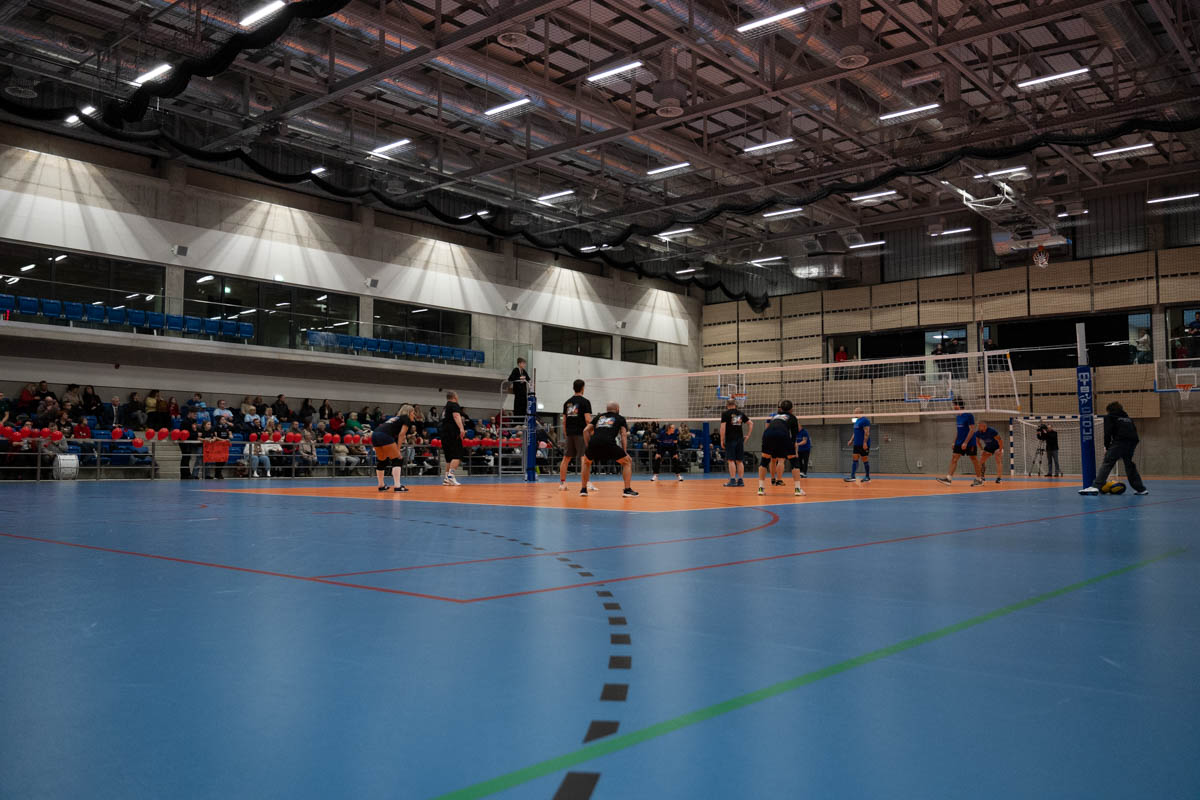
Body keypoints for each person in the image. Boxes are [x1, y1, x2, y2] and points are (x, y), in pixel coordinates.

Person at [1080, 401, 1149, 495]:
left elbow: (1107, 433)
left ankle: (1095, 487)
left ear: (1109, 410)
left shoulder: (1110, 417)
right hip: (1132, 442)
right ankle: (1141, 489)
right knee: (1129, 465)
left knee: (1108, 462)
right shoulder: (1128, 418)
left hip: (1120, 442)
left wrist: (1107, 447)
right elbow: (1134, 432)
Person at [579, 402, 638, 498]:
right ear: (617, 409)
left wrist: (588, 446)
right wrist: (624, 451)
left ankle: (583, 489)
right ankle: (627, 490)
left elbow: (585, 431)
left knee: (586, 462)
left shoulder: (599, 417)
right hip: (609, 443)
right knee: (627, 462)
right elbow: (623, 435)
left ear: (607, 409)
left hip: (594, 443)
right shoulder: (620, 418)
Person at [758, 400, 803, 497]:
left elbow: (770, 427)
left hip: (767, 435)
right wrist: (793, 448)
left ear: (781, 408)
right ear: (791, 409)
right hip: (782, 434)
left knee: (764, 461)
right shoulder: (792, 417)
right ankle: (797, 489)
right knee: (794, 461)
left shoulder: (775, 416)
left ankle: (761, 488)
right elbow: (794, 435)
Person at [936, 399, 982, 486]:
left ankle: (979, 479)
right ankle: (948, 479)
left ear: (958, 405)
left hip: (969, 442)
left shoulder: (969, 415)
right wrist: (954, 442)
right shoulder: (958, 417)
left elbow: (972, 430)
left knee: (974, 460)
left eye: (954, 405)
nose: (953, 407)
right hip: (959, 442)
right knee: (954, 458)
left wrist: (965, 442)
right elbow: (959, 431)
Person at [559, 379, 594, 491]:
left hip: (570, 433)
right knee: (584, 458)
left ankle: (562, 484)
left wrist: (566, 433)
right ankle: (586, 483)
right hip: (581, 433)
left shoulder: (567, 403)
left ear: (573, 388)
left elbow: (564, 421)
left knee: (566, 458)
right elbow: (588, 419)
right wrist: (592, 432)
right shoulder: (585, 402)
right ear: (583, 388)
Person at [370, 405, 415, 492]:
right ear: (409, 412)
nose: (414, 415)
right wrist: (398, 449)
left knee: (382, 460)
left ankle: (381, 485)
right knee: (398, 459)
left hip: (375, 434)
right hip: (384, 435)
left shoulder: (395, 418)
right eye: (413, 413)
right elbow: (401, 434)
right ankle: (397, 486)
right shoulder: (406, 418)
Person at [719, 398, 752, 487]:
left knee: (731, 460)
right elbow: (751, 423)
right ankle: (740, 481)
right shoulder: (740, 413)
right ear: (735, 405)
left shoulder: (725, 414)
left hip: (730, 439)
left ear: (727, 405)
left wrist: (721, 440)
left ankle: (733, 480)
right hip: (740, 439)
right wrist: (748, 435)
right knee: (739, 461)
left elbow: (723, 428)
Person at [440, 391, 468, 486]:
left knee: (449, 458)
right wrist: (461, 428)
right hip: (452, 434)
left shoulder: (445, 407)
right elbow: (456, 416)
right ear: (454, 396)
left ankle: (446, 478)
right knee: (457, 456)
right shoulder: (454, 405)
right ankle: (451, 476)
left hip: (444, 434)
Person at [845, 407, 871, 483]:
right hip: (856, 444)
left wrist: (865, 442)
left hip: (863, 444)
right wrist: (851, 440)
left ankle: (867, 477)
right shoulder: (857, 421)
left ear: (859, 412)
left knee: (865, 459)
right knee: (855, 459)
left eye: (855, 412)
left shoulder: (865, 420)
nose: (854, 413)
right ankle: (852, 477)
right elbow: (855, 432)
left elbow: (867, 432)